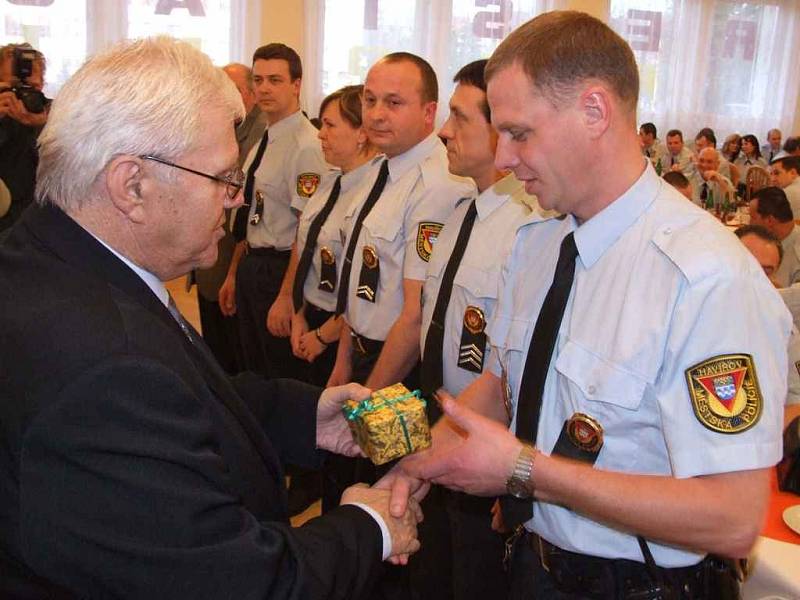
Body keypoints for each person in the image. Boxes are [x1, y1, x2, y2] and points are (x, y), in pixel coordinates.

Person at [382, 11, 790, 599]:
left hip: (642, 586)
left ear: (594, 112)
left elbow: (731, 518)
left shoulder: (706, 279)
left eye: (520, 134)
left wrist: (526, 471)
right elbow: (503, 382)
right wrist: (421, 461)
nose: (503, 160)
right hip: (533, 563)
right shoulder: (538, 243)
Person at [0, 37, 423, 599]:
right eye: (223, 178)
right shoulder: (104, 362)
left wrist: (304, 415)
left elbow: (176, 397)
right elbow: (234, 582)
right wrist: (368, 527)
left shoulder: (54, 256)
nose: (237, 198)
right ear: (132, 185)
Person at [415, 58, 542, 600]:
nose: (445, 131)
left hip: (486, 444)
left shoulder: (531, 231)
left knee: (473, 578)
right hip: (438, 419)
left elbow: (524, 369)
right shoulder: (462, 212)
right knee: (432, 569)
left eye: (460, 118)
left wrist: (513, 482)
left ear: (501, 130)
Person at [328, 52, 473, 391]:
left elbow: (415, 315)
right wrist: (344, 358)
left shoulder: (436, 185)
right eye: (370, 100)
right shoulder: (381, 169)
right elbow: (361, 276)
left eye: (393, 103)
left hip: (396, 366)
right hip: (360, 349)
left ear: (428, 112)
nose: (376, 115)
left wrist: (369, 397)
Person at [291, 85, 380, 514]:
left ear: (360, 134)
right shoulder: (331, 182)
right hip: (313, 313)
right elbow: (305, 249)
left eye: (330, 125)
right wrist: (296, 313)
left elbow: (368, 286)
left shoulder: (372, 193)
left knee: (349, 449)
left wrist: (326, 335)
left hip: (343, 328)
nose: (320, 134)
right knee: (317, 431)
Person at [221, 43, 327, 381]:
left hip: (280, 271)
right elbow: (252, 211)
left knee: (278, 374)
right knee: (253, 367)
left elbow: (305, 231)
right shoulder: (264, 139)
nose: (264, 88)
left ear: (296, 85)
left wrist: (286, 298)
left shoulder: (306, 146)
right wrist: (234, 273)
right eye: (259, 79)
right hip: (255, 264)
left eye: (275, 80)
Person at [189, 62, 266, 374]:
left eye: (230, 90)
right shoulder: (227, 126)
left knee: (235, 353)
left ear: (249, 94)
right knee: (216, 346)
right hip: (215, 255)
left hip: (234, 252)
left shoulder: (260, 133)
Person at [734, 224, 800, 425]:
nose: (757, 279)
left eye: (767, 271)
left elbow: (796, 400)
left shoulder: (782, 327)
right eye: (748, 266)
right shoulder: (688, 317)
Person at [0, 43, 48, 233]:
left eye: (32, 87)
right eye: (15, 87)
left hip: (39, 226)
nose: (23, 95)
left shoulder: (57, 116)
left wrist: (42, 127)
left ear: (42, 83)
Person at [749, 185, 800, 287]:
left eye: (753, 217)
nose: (749, 223)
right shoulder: (771, 240)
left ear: (769, 220)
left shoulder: (796, 256)